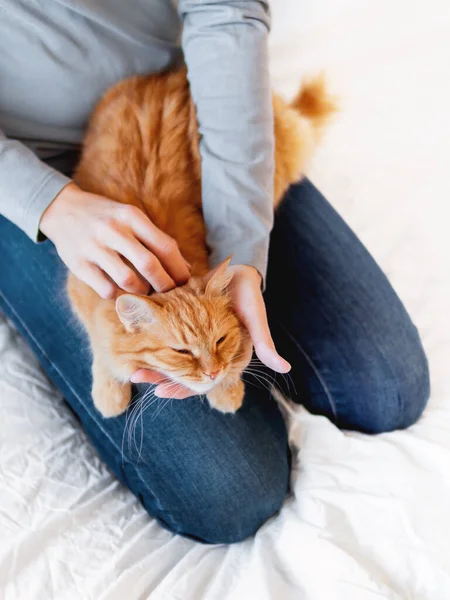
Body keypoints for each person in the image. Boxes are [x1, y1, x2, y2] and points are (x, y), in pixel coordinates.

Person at [0, 1, 429, 544]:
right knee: (233, 495)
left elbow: (225, 10)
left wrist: (244, 252)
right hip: (23, 169)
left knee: (389, 388)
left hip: (173, 106)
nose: (205, 369)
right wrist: (47, 204)